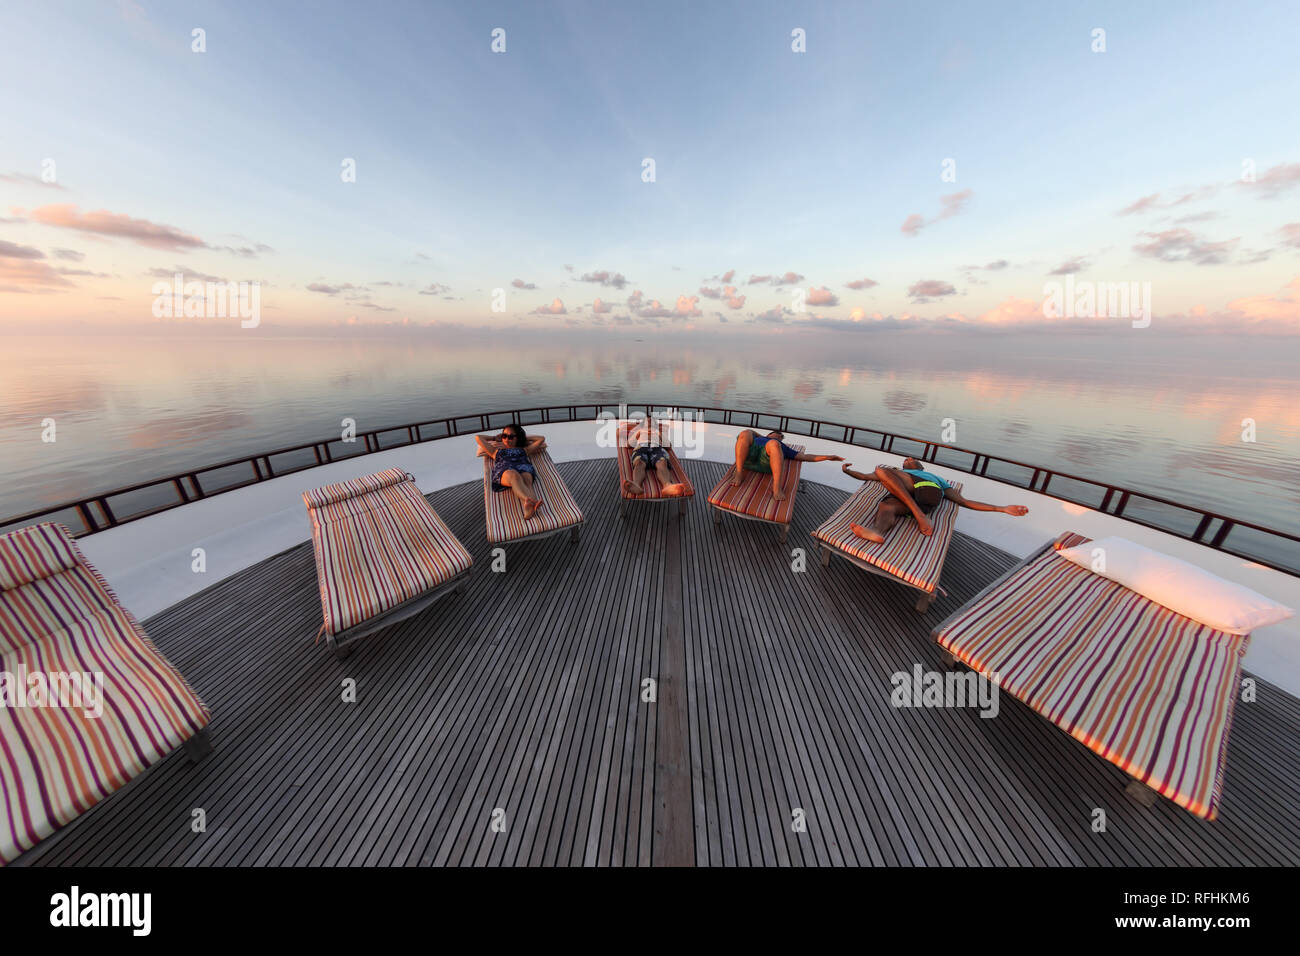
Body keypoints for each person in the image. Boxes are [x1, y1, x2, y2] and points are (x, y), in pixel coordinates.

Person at [840, 457, 1029, 542]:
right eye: (906, 459)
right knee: (886, 506)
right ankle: (876, 532)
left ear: (920, 467)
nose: (908, 459)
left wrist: (1001, 508)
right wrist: (848, 471)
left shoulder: (935, 478)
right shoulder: (898, 475)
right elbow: (864, 477)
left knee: (881, 470)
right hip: (920, 501)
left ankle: (918, 514)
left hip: (926, 490)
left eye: (910, 459)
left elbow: (963, 501)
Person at [729, 429, 844, 501]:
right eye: (777, 434)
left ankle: (776, 487)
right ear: (769, 434)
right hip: (748, 459)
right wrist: (762, 436)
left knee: (773, 444)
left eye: (781, 437)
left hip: (766, 461)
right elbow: (752, 432)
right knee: (744, 433)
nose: (779, 436)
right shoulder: (758, 438)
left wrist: (828, 457)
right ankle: (739, 473)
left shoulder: (781, 446)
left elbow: (806, 457)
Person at [476, 424, 547, 519]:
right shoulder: (495, 451)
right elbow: (478, 438)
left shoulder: (524, 450)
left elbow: (541, 439)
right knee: (514, 476)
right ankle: (529, 500)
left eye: (511, 437)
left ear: (517, 438)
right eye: (504, 436)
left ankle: (529, 508)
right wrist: (494, 437)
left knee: (527, 481)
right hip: (506, 469)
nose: (506, 439)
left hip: (524, 467)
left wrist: (524, 437)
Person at [623, 415, 688, 497]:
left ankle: (667, 485)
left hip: (656, 447)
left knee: (662, 462)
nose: (649, 421)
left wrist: (659, 434)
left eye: (651, 420)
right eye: (647, 420)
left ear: (654, 423)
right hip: (641, 447)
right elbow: (628, 444)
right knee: (639, 463)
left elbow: (668, 446)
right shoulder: (640, 431)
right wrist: (637, 435)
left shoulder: (657, 431)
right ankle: (636, 485)